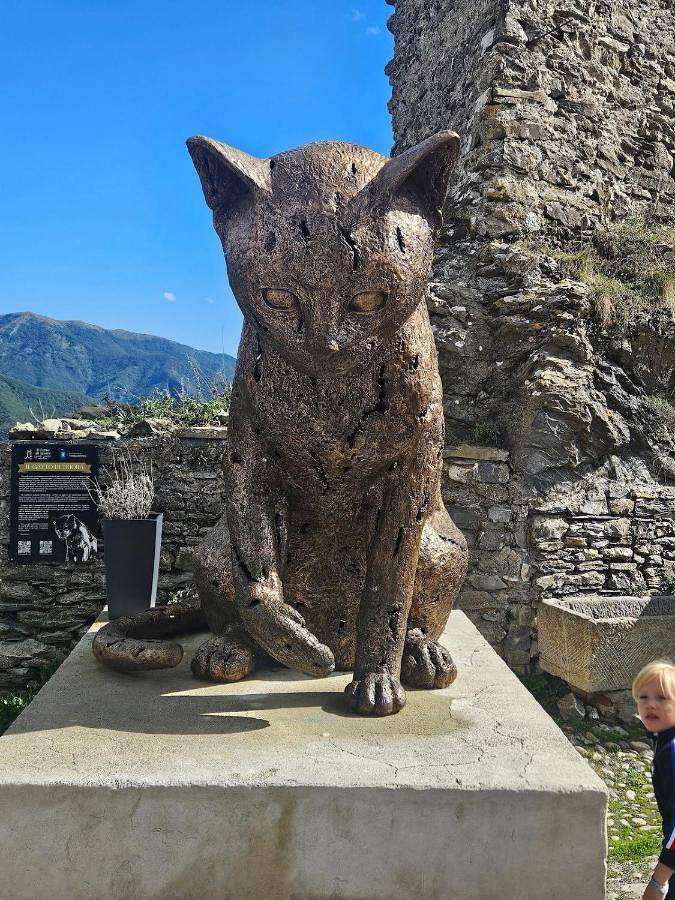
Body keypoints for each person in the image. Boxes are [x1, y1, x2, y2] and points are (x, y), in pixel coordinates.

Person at [633, 660, 675, 899]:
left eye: (662, 698)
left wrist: (658, 882)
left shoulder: (671, 751)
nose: (651, 704)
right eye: (643, 697)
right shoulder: (663, 740)